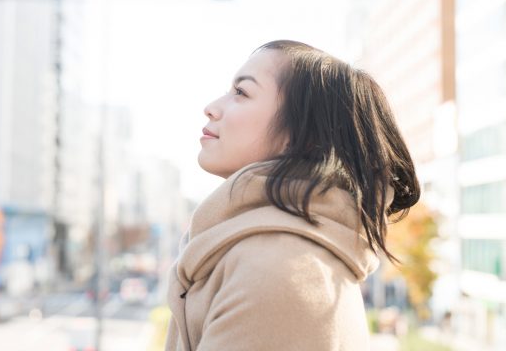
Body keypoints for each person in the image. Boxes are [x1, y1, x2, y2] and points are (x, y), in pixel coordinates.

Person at [164, 40, 420, 351]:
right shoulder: (271, 252)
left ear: (301, 137)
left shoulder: (278, 272)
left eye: (241, 93)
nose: (212, 107)